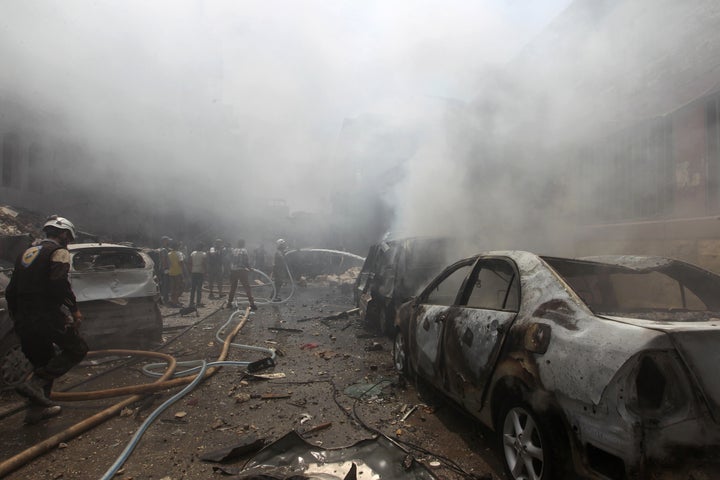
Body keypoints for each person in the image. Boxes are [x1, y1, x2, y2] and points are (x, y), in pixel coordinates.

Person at [5, 215, 89, 424]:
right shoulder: (58, 252)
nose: (68, 240)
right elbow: (59, 284)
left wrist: (17, 317)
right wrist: (74, 310)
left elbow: (10, 290)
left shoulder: (26, 253)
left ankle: (36, 411)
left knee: (43, 360)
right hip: (46, 316)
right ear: (62, 234)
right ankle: (36, 383)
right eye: (68, 236)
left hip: (24, 318)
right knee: (77, 349)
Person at [226, 239, 257, 310]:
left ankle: (229, 303)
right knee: (247, 287)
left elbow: (229, 259)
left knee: (233, 287)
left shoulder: (233, 250)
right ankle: (252, 304)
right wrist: (250, 268)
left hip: (233, 271)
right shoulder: (244, 250)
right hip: (241, 271)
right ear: (243, 244)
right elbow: (246, 261)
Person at [189, 242, 207, 307]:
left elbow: (190, 262)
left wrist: (190, 270)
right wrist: (205, 271)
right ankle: (198, 302)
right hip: (200, 272)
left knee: (193, 288)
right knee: (199, 288)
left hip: (194, 271)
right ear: (202, 247)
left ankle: (191, 302)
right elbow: (204, 263)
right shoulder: (204, 254)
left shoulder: (192, 253)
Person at [167, 241, 185, 307]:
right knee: (179, 287)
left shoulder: (169, 253)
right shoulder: (179, 253)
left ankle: (173, 300)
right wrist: (183, 271)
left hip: (171, 272)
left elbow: (168, 263)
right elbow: (181, 263)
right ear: (178, 247)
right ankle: (175, 302)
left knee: (172, 287)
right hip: (178, 272)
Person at [157, 236, 171, 305]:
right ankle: (165, 299)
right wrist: (166, 269)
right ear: (164, 241)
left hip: (162, 269)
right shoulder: (163, 250)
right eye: (168, 241)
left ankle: (164, 298)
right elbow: (163, 260)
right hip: (164, 269)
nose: (169, 242)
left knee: (164, 284)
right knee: (165, 284)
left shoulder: (163, 249)